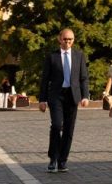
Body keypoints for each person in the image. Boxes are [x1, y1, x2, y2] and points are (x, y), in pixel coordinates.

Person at [39, 28, 89, 173]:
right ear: (59, 39)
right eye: (65, 39)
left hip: (72, 96)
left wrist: (85, 96)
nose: (68, 42)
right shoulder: (51, 56)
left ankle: (62, 161)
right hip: (56, 96)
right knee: (56, 125)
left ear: (73, 40)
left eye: (70, 39)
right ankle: (53, 158)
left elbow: (83, 78)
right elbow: (45, 80)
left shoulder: (79, 55)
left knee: (69, 129)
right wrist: (42, 100)